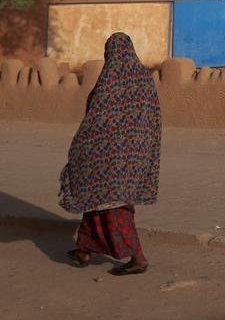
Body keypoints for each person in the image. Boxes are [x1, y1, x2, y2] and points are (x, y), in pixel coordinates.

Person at [58, 32, 161, 275]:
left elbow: (95, 120)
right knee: (96, 201)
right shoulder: (145, 81)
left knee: (114, 208)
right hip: (135, 157)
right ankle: (84, 249)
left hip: (106, 158)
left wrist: (80, 148)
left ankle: (139, 258)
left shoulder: (108, 82)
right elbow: (153, 120)